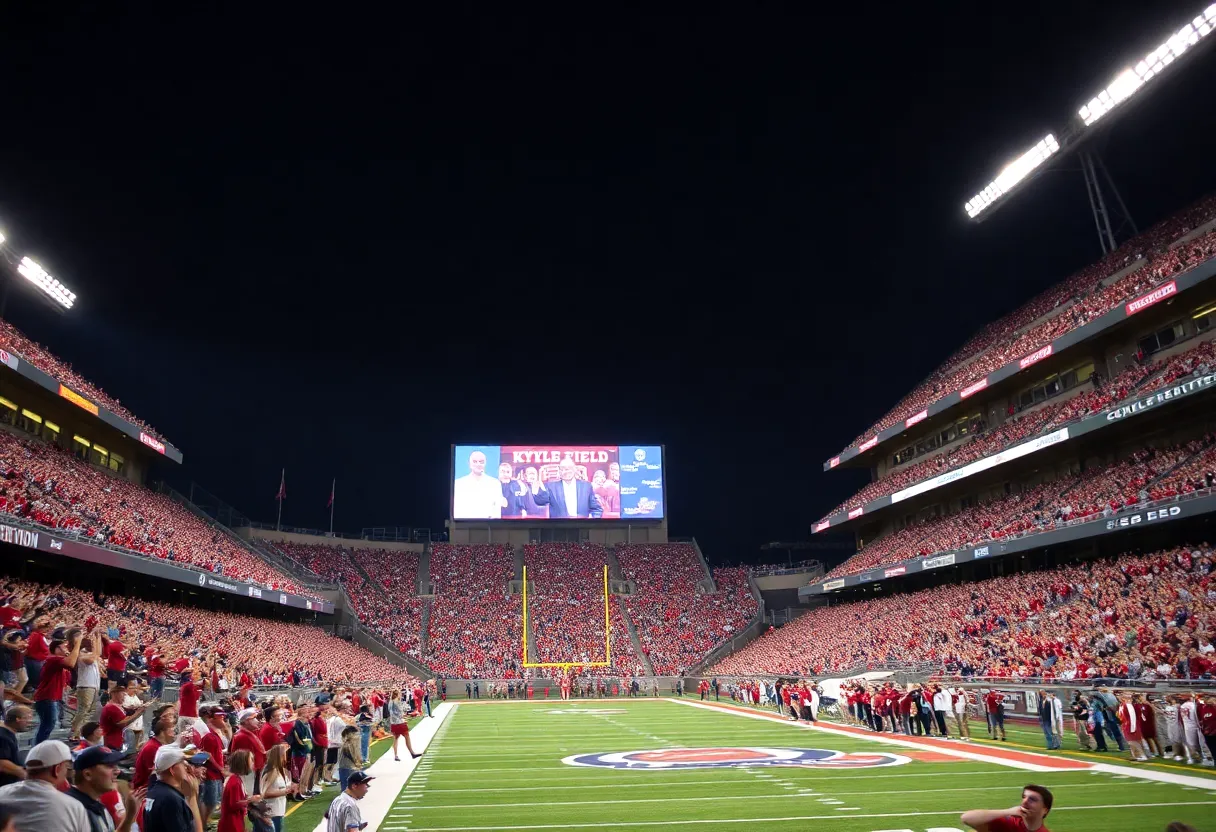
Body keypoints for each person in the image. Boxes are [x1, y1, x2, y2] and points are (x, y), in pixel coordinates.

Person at [0, 740, 90, 831]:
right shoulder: (73, 807)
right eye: (67, 767)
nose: (67, 773)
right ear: (57, 770)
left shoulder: (1, 793)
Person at [67, 745, 141, 832]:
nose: (117, 771)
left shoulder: (94, 803)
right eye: (109, 766)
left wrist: (130, 814)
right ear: (88, 774)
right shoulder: (73, 809)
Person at [143, 744, 207, 832]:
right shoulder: (171, 799)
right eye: (182, 763)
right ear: (172, 770)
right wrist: (192, 798)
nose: (186, 767)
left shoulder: (154, 791)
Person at [33, 632, 83, 744]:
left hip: (50, 697)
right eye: (63, 647)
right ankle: (38, 749)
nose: (66, 650)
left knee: (47, 725)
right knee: (47, 725)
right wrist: (78, 642)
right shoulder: (53, 659)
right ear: (56, 649)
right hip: (46, 697)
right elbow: (70, 662)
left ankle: (38, 747)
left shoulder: (56, 661)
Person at [525, 458, 603, 518]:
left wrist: (590, 522)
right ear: (559, 471)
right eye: (562, 469)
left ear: (574, 469)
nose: (565, 471)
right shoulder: (551, 486)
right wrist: (535, 491)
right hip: (558, 529)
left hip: (581, 528)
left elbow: (597, 509)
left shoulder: (586, 486)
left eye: (568, 468)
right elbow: (540, 501)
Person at [961, 784, 1053, 831]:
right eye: (1024, 797)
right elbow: (966, 818)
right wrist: (1007, 812)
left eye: (1032, 799)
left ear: (1044, 810)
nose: (1025, 801)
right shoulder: (1008, 823)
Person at [453, 451, 506, 519]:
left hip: (488, 526)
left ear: (485, 463)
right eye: (475, 461)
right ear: (469, 464)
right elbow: (456, 509)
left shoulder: (495, 483)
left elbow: (497, 511)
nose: (478, 464)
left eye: (481, 462)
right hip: (464, 525)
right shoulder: (459, 484)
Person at [218, 750, 259, 832]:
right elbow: (234, 804)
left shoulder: (236, 779)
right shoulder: (235, 782)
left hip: (235, 823)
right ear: (243, 763)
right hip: (231, 825)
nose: (253, 763)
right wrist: (250, 800)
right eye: (251, 760)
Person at [71, 637, 102, 742]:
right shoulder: (81, 654)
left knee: (88, 710)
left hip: (92, 686)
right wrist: (95, 643)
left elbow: (98, 653)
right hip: (85, 686)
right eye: (91, 644)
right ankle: (76, 733)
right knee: (84, 710)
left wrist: (97, 637)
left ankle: (77, 729)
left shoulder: (90, 654)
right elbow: (93, 658)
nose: (93, 646)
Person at [261, 745, 296, 830]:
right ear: (279, 756)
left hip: (278, 811)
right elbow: (265, 793)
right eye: (284, 755)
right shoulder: (272, 771)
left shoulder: (279, 770)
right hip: (273, 812)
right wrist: (286, 791)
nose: (286, 757)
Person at [0, 708, 32, 788]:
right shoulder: (3, 737)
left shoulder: (8, 733)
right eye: (26, 718)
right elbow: (2, 763)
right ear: (18, 719)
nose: (28, 722)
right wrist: (24, 774)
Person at [388, 691, 421, 761]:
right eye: (400, 694)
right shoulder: (397, 702)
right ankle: (412, 753)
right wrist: (411, 714)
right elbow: (401, 714)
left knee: (395, 739)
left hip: (393, 723)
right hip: (399, 723)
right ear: (397, 695)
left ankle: (396, 755)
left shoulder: (390, 702)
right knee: (407, 737)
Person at [336, 727, 362, 791]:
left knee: (348, 788)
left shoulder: (348, 744)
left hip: (346, 768)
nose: (358, 737)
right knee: (347, 789)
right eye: (356, 734)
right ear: (351, 735)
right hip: (347, 768)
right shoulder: (348, 745)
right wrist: (357, 764)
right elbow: (353, 756)